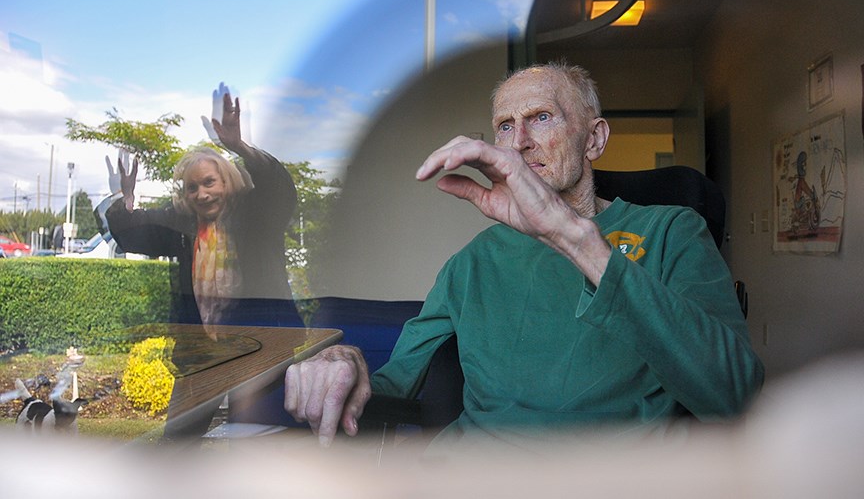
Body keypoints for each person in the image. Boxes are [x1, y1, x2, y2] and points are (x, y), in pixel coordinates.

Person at [283, 62, 764, 451]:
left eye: (541, 117)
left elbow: (735, 394)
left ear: (594, 139)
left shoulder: (671, 231)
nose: (519, 142)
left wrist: (575, 238)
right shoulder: (469, 264)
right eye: (505, 126)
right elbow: (393, 384)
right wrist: (343, 366)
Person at [105, 83, 299, 439]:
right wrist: (126, 196)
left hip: (262, 347)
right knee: (177, 443)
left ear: (227, 180)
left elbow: (280, 187)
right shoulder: (182, 224)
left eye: (209, 182)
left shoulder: (258, 214)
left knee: (262, 444)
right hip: (201, 354)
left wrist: (237, 145)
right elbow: (132, 233)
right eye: (192, 187)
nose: (201, 193)